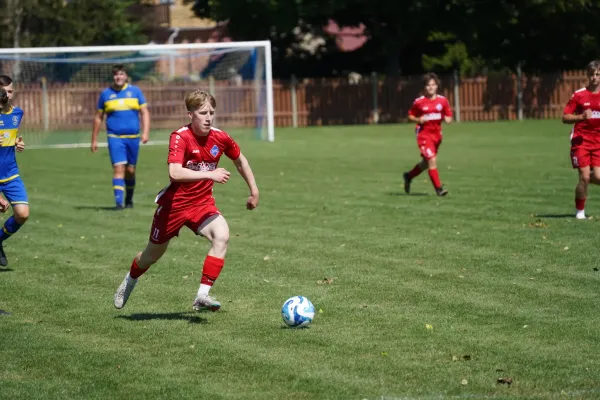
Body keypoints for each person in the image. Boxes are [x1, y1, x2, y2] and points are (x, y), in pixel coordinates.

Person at [113, 90, 260, 312]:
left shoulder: (220, 137)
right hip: (174, 207)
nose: (208, 117)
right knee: (150, 256)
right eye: (203, 113)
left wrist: (254, 190)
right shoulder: (180, 136)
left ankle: (202, 295)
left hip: (202, 204)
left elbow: (240, 160)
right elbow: (175, 173)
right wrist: (210, 175)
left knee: (222, 235)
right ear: (190, 114)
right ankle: (130, 279)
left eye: (211, 112)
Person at [91, 64, 150, 209]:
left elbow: (145, 112)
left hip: (133, 137)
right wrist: (94, 139)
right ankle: (119, 204)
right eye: (116, 74)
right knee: (118, 169)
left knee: (130, 170)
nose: (119, 77)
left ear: (126, 76)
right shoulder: (106, 94)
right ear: (113, 76)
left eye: (121, 74)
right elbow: (98, 117)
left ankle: (129, 200)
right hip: (114, 137)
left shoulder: (135, 92)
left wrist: (146, 132)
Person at [402, 73, 453, 196]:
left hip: (437, 136)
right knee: (432, 160)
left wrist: (448, 120)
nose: (431, 87)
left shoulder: (443, 101)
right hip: (424, 135)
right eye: (428, 85)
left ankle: (408, 176)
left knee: (426, 163)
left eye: (433, 85)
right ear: (424, 87)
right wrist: (418, 120)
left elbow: (449, 116)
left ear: (437, 86)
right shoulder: (419, 102)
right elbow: (410, 116)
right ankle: (439, 189)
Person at [562, 60, 600, 219]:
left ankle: (584, 184)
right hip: (581, 141)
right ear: (587, 75)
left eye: (597, 74)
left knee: (597, 178)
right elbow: (565, 117)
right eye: (591, 74)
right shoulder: (579, 95)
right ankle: (580, 212)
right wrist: (581, 117)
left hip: (598, 142)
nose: (594, 78)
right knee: (584, 176)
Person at [0, 79, 28, 267]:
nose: (7, 95)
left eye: (10, 91)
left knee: (22, 214)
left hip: (10, 174)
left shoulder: (17, 113)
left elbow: (10, 135)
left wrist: (17, 142)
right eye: (4, 92)